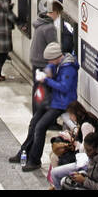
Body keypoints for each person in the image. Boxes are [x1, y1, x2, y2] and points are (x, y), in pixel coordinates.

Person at [15, 41, 77, 172]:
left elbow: (64, 87)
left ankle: (35, 160)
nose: (48, 62)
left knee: (40, 127)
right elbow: (51, 67)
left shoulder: (69, 68)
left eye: (50, 59)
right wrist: (47, 71)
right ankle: (23, 152)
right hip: (54, 99)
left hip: (63, 103)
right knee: (33, 123)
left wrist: (46, 80)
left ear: (56, 57)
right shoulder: (58, 62)